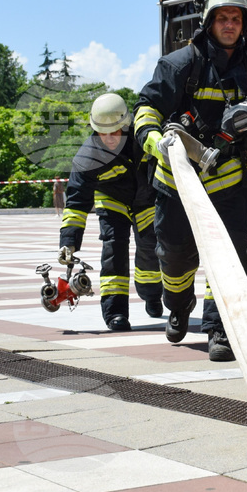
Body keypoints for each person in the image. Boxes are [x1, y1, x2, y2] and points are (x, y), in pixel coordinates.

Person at [134, 0, 247, 362]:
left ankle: (219, 329)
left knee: (229, 260)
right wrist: (157, 145)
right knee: (175, 258)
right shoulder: (179, 65)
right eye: (223, 18)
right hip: (178, 184)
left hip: (231, 182)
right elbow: (145, 109)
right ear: (209, 22)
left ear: (245, 24)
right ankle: (179, 304)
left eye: (236, 19)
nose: (230, 25)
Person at [58, 93, 163, 331]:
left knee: (150, 248)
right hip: (112, 201)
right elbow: (76, 204)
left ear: (126, 125)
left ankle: (152, 295)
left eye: (115, 131)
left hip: (146, 199)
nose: (109, 138)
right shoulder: (86, 158)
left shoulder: (141, 137)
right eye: (103, 133)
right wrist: (68, 242)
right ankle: (115, 313)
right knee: (113, 250)